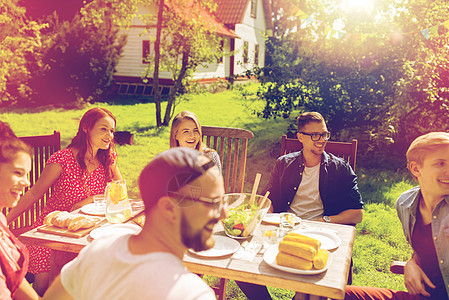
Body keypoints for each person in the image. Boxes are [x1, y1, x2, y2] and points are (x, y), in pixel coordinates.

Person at [43, 147, 226, 300]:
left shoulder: (100, 250)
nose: (223, 214)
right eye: (214, 203)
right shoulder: (192, 294)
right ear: (169, 208)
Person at [238, 112, 364, 300]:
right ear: (300, 138)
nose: (321, 140)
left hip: (321, 236)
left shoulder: (340, 168)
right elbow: (268, 201)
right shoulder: (284, 164)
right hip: (286, 231)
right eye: (315, 135)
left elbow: (357, 214)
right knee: (241, 263)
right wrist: (261, 211)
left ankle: (302, 294)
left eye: (324, 134)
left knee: (313, 290)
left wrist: (325, 220)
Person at [6, 107, 122, 295]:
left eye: (112, 131)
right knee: (45, 284)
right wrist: (5, 222)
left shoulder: (108, 158)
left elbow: (119, 191)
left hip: (88, 232)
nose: (109, 135)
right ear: (86, 127)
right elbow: (34, 194)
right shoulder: (63, 159)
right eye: (103, 129)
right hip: (51, 233)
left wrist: (90, 199)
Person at [345, 132, 449, 299]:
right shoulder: (405, 204)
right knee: (334, 292)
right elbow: (429, 248)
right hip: (422, 296)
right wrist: (413, 262)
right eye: (440, 163)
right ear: (416, 169)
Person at [0, 121, 39, 299]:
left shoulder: (1, 219)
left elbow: (15, 279)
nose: (27, 183)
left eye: (27, 174)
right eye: (18, 173)